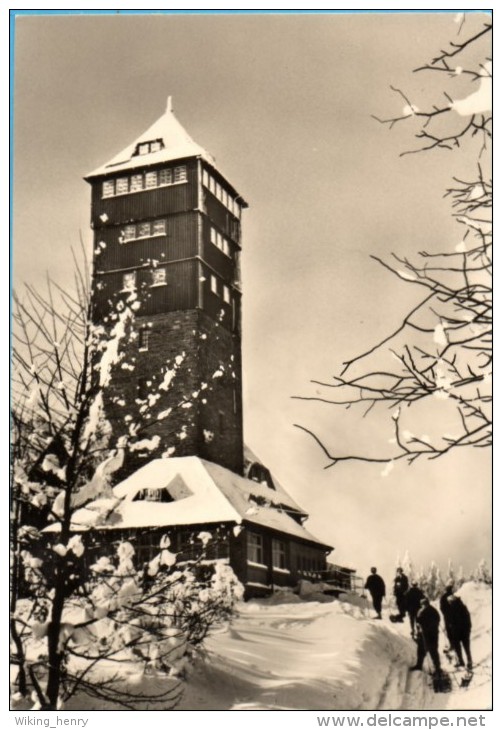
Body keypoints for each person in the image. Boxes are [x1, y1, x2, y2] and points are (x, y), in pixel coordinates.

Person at [411, 597, 441, 675]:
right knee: (421, 650)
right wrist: (419, 628)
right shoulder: (420, 611)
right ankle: (419, 665)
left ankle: (437, 668)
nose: (423, 605)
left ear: (427, 603)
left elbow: (436, 622)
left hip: (431, 635)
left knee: (433, 651)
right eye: (422, 604)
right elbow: (418, 621)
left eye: (424, 604)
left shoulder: (432, 611)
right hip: (423, 635)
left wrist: (425, 627)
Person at [447, 594, 473, 670]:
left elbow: (451, 622)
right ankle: (469, 662)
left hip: (457, 633)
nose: (449, 603)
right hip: (464, 632)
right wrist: (468, 630)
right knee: (466, 648)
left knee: (458, 648)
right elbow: (468, 621)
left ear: (452, 601)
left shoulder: (452, 609)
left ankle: (461, 661)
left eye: (450, 602)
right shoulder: (463, 607)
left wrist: (451, 629)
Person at [440, 579, 455, 652]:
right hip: (453, 617)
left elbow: (442, 608)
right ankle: (454, 644)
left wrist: (445, 614)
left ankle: (452, 645)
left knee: (449, 631)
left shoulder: (443, 597)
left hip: (447, 617)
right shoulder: (453, 596)